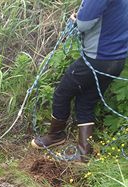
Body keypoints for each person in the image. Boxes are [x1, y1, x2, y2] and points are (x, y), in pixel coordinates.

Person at [31, 0, 128, 162]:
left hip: (96, 58)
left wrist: (76, 19)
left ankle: (55, 135)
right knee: (86, 101)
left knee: (62, 93)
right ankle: (83, 152)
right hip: (117, 60)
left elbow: (84, 24)